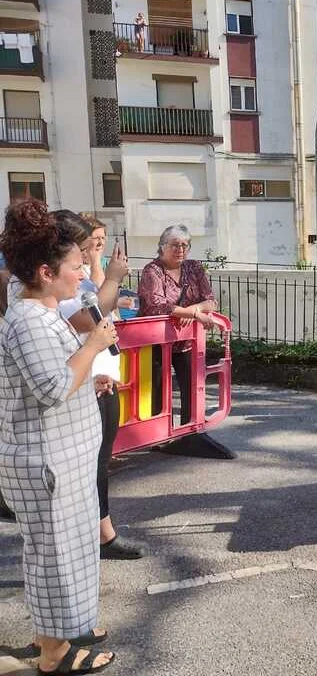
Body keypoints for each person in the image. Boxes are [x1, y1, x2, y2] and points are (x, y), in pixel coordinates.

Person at [0, 200, 119, 675]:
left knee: (63, 556)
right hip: (46, 463)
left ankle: (57, 638)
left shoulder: (40, 312)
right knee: (54, 561)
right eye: (75, 266)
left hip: (60, 459)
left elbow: (55, 377)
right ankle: (54, 654)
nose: (82, 274)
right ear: (47, 273)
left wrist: (89, 376)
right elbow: (51, 388)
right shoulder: (29, 319)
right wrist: (93, 345)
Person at [72, 214, 143, 559]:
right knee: (93, 463)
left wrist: (101, 267)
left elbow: (101, 306)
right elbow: (91, 317)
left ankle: (102, 533)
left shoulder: (83, 275)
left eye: (100, 239)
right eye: (90, 241)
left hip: (100, 376)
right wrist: (112, 277)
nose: (97, 245)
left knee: (101, 459)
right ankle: (99, 536)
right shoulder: (64, 284)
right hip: (87, 381)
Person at [137, 225, 230, 457]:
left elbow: (211, 301)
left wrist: (193, 310)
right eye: (175, 245)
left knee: (191, 384)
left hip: (186, 339)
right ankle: (158, 437)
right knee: (157, 386)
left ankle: (189, 433)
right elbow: (157, 305)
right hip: (157, 338)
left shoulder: (194, 267)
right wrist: (195, 314)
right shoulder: (152, 271)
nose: (180, 249)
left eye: (184, 245)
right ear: (162, 247)